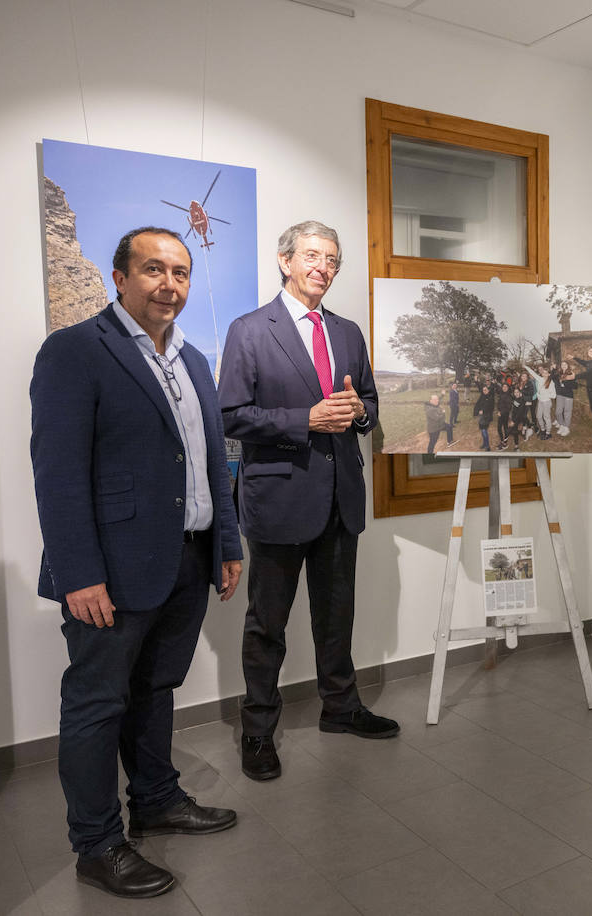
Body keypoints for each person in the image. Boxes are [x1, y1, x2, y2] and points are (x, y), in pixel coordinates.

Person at [30, 226, 245, 898]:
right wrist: (78, 572)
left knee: (155, 690)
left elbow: (212, 464)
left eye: (180, 272)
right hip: (109, 569)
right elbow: (58, 473)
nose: (169, 284)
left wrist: (226, 543)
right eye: (154, 269)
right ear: (120, 278)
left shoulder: (194, 360)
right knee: (97, 704)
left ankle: (156, 799)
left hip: (185, 557)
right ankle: (97, 845)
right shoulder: (75, 351)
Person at [218, 220, 396, 785]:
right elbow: (231, 416)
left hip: (340, 496)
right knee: (267, 624)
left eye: (333, 260)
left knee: (336, 614)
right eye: (314, 256)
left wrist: (360, 411)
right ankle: (258, 732)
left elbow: (366, 398)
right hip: (277, 500)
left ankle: (341, 709)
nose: (324, 267)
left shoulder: (347, 332)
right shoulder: (249, 330)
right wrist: (306, 419)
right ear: (285, 260)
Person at [525, 363, 556, 439]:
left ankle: (548, 433)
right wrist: (525, 366)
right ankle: (543, 429)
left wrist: (545, 395)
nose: (544, 374)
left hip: (546, 402)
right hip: (540, 402)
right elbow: (532, 372)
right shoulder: (540, 379)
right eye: (543, 373)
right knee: (539, 416)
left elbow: (554, 395)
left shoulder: (551, 383)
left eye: (546, 373)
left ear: (549, 374)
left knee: (546, 417)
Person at [555, 364, 576, 436]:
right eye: (562, 364)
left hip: (568, 395)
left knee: (567, 411)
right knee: (558, 411)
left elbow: (575, 386)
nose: (563, 365)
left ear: (568, 365)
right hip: (559, 395)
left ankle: (566, 427)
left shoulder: (571, 374)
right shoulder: (558, 374)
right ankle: (561, 425)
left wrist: (565, 382)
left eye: (565, 364)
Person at [473, 383, 494, 451]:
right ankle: (484, 444)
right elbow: (478, 404)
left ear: (488, 390)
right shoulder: (482, 396)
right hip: (481, 416)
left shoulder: (491, 397)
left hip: (487, 416)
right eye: (483, 390)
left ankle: (487, 446)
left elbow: (491, 408)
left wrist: (483, 411)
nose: (484, 391)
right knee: (482, 430)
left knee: (484, 431)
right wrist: (476, 411)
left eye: (485, 390)